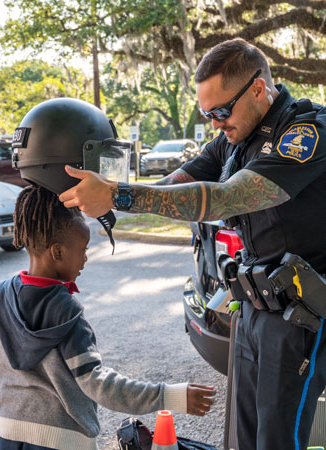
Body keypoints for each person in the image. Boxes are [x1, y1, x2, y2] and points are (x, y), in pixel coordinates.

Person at [59, 38, 326, 450]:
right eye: (207, 114)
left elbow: (226, 197)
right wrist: (111, 191)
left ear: (258, 89)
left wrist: (118, 196)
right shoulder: (233, 138)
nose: (216, 123)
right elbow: (175, 186)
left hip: (300, 318)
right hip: (254, 309)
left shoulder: (305, 133)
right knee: (243, 437)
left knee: (276, 441)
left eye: (221, 111)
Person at [0, 184, 215, 450]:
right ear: (57, 252)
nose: (85, 259)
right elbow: (99, 384)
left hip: (8, 437)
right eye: (82, 250)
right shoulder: (67, 313)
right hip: (63, 443)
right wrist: (170, 395)